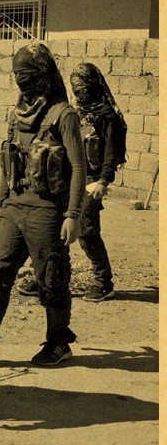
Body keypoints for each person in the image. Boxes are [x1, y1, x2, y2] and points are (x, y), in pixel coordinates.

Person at [0, 42, 85, 368]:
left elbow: (79, 167)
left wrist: (73, 214)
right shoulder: (17, 114)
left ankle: (58, 342)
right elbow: (10, 159)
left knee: (51, 278)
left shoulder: (63, 115)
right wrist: (3, 203)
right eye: (17, 77)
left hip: (47, 211)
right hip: (14, 208)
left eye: (27, 76)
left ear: (43, 75)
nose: (22, 83)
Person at [69, 61, 128, 303]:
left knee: (87, 231)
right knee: (56, 227)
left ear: (93, 86)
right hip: (71, 179)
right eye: (75, 89)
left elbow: (111, 153)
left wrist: (104, 181)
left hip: (93, 181)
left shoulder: (107, 117)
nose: (79, 94)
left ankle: (104, 283)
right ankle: (55, 277)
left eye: (82, 88)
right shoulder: (75, 114)